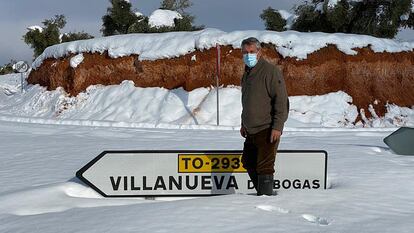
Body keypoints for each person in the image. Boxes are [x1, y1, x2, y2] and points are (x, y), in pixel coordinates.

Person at [240, 37, 289, 196]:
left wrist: (277, 127)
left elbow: (281, 101)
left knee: (265, 167)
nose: (249, 55)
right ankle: (262, 194)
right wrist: (243, 123)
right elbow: (247, 100)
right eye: (245, 52)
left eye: (252, 52)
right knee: (248, 162)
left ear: (259, 52)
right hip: (251, 130)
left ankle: (266, 199)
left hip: (267, 128)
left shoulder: (270, 71)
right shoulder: (247, 73)